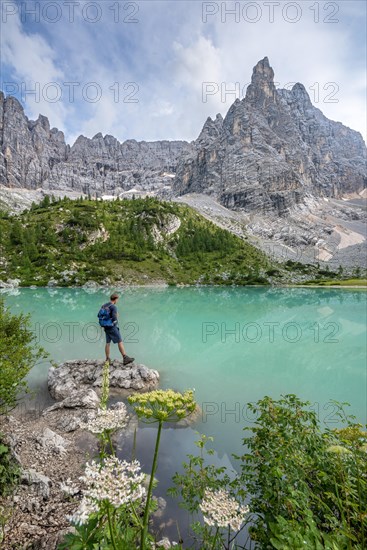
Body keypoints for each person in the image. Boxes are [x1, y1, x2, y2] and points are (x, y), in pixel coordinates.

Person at [102, 292, 135, 365]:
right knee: (120, 341)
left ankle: (107, 359)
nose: (117, 301)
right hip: (112, 327)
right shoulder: (113, 307)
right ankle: (125, 358)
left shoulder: (104, 305)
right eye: (117, 299)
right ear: (115, 299)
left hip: (106, 326)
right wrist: (116, 317)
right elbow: (114, 318)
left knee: (108, 343)